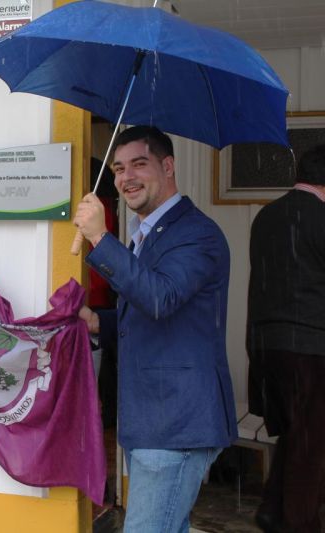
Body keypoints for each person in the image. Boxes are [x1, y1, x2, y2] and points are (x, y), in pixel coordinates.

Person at [73, 126, 237, 532]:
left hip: (175, 422)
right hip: (151, 420)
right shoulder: (146, 235)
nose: (126, 177)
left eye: (139, 165)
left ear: (168, 166)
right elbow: (146, 315)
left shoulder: (197, 234)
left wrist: (99, 236)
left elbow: (161, 297)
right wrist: (98, 321)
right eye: (118, 168)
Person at [246, 145, 325, 533]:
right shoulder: (322, 219)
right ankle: (300, 524)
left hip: (266, 347)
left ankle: (272, 509)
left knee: (295, 434)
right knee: (312, 449)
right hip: (311, 350)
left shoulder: (266, 216)